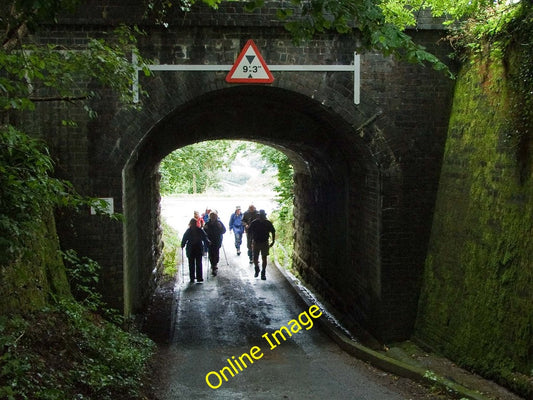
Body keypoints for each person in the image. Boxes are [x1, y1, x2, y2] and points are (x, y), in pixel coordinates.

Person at [248, 209, 275, 280]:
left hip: (264, 242)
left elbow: (273, 231)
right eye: (261, 215)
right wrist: (250, 241)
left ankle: (263, 272)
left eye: (262, 216)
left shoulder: (268, 223)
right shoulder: (254, 223)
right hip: (256, 242)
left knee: (264, 257)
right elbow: (249, 232)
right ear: (259, 216)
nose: (262, 217)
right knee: (255, 257)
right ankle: (257, 268)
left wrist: (273, 241)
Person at [181, 218, 209, 283]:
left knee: (196, 263)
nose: (193, 224)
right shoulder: (195, 230)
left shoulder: (197, 230)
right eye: (193, 223)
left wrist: (207, 242)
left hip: (195, 248)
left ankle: (196, 278)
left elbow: (205, 237)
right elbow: (184, 238)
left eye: (194, 223)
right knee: (193, 263)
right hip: (193, 249)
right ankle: (194, 278)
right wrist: (182, 244)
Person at [203, 211, 226, 276]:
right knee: (211, 253)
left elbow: (224, 231)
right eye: (212, 216)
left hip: (217, 240)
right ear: (210, 217)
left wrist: (220, 227)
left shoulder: (219, 223)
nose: (213, 218)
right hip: (210, 241)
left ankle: (215, 264)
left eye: (214, 216)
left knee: (216, 253)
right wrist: (205, 229)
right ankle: (213, 265)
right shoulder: (207, 223)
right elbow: (204, 232)